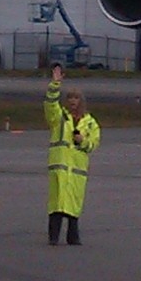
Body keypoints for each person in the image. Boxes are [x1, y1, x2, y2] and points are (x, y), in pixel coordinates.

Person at [43, 64, 100, 246]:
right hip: (59, 168)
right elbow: (50, 105)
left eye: (76, 98)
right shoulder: (60, 118)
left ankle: (73, 236)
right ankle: (53, 236)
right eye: (70, 98)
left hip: (77, 170)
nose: (73, 101)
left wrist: (82, 141)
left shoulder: (90, 123)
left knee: (74, 204)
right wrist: (55, 85)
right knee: (57, 203)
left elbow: (93, 144)